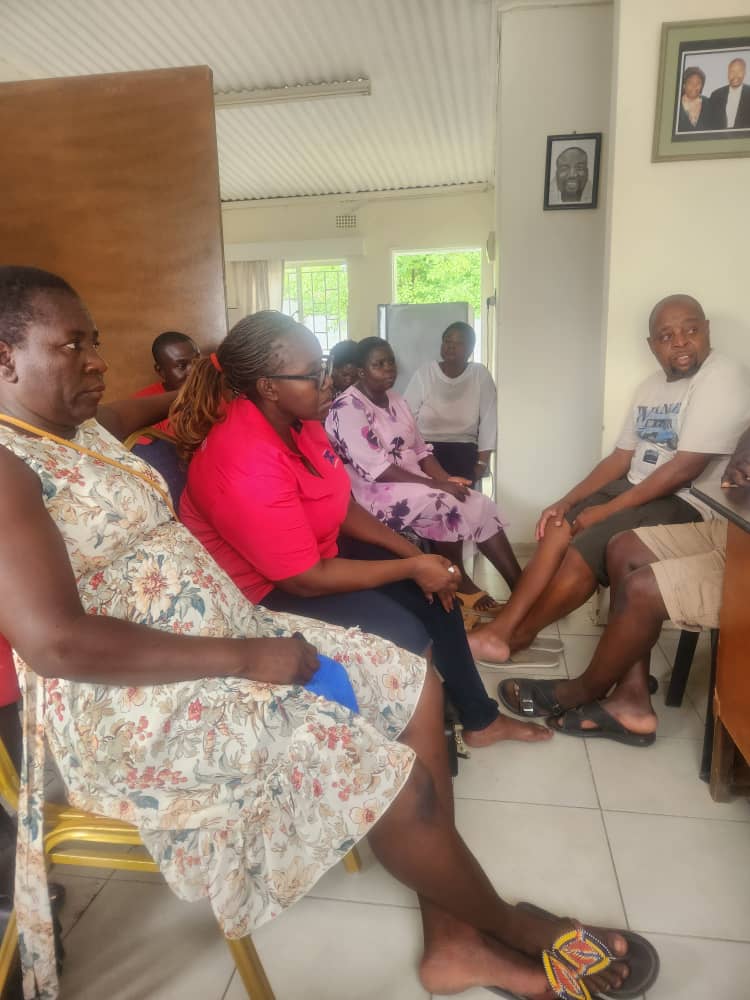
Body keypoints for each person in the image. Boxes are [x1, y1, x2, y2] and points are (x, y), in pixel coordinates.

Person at [0, 267, 659, 1000]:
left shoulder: (80, 427)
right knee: (386, 774)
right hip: (139, 699)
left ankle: (452, 940)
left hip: (227, 634)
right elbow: (55, 643)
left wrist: (219, 378)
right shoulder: (6, 464)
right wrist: (246, 656)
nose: (96, 360)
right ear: (5, 358)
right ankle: (508, 926)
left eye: (94, 340)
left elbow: (166, 399)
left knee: (416, 682)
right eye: (73, 345)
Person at [172, 312, 549, 748]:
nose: (329, 382)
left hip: (316, 555)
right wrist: (410, 568)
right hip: (267, 594)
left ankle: (480, 720)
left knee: (435, 592)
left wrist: (415, 556)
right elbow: (303, 579)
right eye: (314, 375)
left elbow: (341, 505)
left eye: (326, 366)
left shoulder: (301, 424)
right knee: (407, 631)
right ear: (269, 387)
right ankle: (416, 737)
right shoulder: (243, 459)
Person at [469, 294, 750, 667]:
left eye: (691, 330)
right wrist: (566, 502)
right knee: (557, 525)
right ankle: (506, 625)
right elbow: (621, 457)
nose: (681, 342)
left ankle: (517, 635)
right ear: (652, 345)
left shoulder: (722, 375)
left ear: (707, 330)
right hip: (636, 487)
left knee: (586, 547)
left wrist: (605, 512)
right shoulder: (650, 386)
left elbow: (684, 469)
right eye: (666, 336)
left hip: (686, 500)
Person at [497, 423, 750, 744]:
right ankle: (632, 697)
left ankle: (582, 690)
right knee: (623, 546)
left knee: (641, 588)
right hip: (734, 530)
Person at [325, 338, 540, 627]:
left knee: (477, 501)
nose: (388, 369)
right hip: (376, 492)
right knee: (444, 503)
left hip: (414, 482)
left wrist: (446, 479)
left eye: (391, 361)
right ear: (362, 371)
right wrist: (437, 486)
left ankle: (523, 593)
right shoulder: (347, 407)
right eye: (379, 364)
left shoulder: (396, 399)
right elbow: (377, 469)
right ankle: (462, 585)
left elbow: (421, 451)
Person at [404, 321, 497, 486]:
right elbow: (406, 417)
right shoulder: (425, 373)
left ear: (471, 349)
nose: (451, 346)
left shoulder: (479, 374)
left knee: (460, 500)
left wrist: (481, 465)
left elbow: (489, 422)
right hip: (426, 453)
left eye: (459, 343)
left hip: (464, 453)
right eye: (447, 341)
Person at [133, 330, 200, 436]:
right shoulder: (143, 405)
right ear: (160, 371)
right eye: (181, 366)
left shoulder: (213, 391)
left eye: (197, 361)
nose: (194, 371)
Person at [709, 57, 750, 130]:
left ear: (744, 73)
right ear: (728, 73)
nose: (735, 75)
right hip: (720, 136)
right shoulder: (716, 95)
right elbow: (710, 123)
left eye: (739, 71)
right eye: (732, 71)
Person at [676, 66, 713, 132]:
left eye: (698, 83)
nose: (694, 86)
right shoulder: (675, 104)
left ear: (702, 86)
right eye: (690, 82)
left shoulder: (709, 103)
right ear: (684, 85)